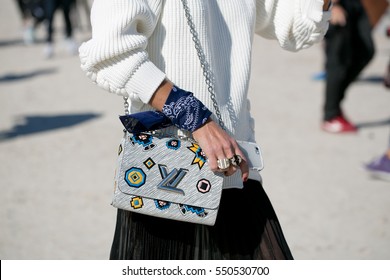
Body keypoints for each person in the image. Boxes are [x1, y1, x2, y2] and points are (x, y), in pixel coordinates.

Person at [79, 0, 331, 260]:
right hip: (170, 177)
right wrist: (196, 118)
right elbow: (110, 52)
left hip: (234, 167)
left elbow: (293, 29)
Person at [322, 0, 375, 133]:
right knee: (338, 60)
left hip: (356, 3)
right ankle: (331, 115)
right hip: (336, 5)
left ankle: (335, 103)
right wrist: (332, 6)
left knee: (366, 51)